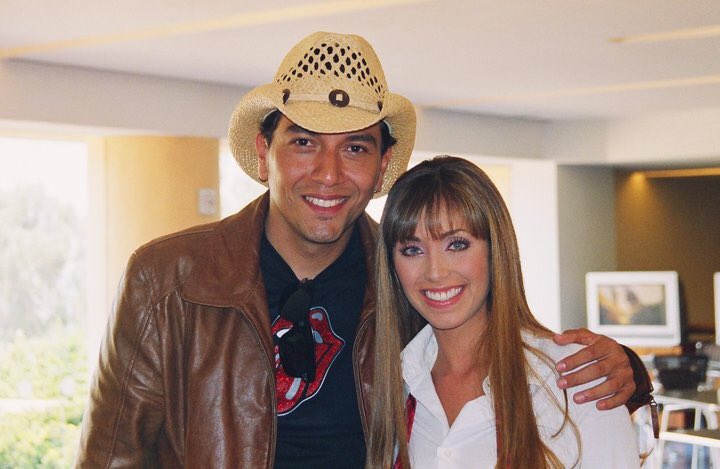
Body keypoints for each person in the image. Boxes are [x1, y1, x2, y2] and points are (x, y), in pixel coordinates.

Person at [75, 32, 650, 468]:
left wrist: (629, 371)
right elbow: (111, 455)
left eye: (354, 148)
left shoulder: (406, 284)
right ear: (263, 152)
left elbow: (498, 351)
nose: (329, 174)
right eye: (304, 142)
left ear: (381, 167)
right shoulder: (170, 280)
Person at [368, 156, 641, 468]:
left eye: (456, 245)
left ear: (494, 249)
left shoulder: (576, 381)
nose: (435, 272)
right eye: (412, 250)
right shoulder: (393, 387)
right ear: (392, 264)